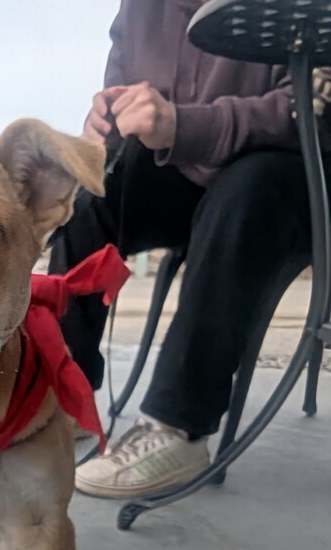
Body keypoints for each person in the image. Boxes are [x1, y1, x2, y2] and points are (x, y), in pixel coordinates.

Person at [52, 0, 331, 499]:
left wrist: (182, 124)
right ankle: (62, 397)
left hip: (287, 178)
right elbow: (121, 87)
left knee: (248, 189)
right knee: (91, 191)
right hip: (184, 173)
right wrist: (108, 118)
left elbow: (309, 107)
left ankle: (178, 427)